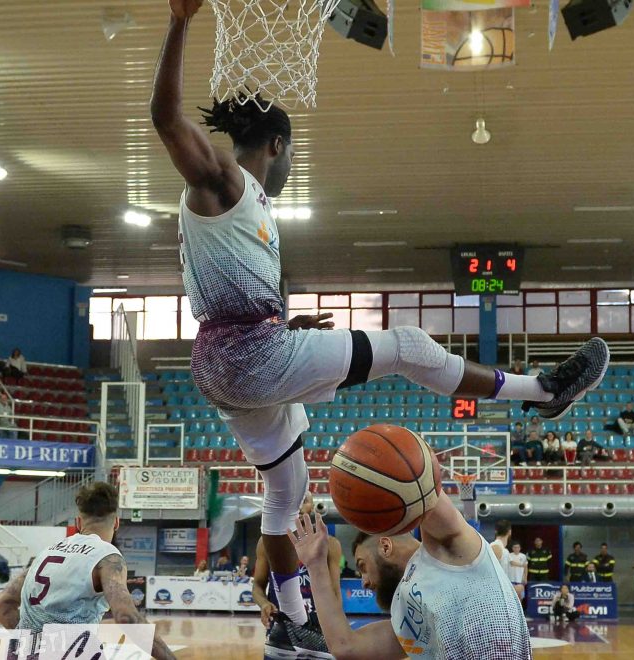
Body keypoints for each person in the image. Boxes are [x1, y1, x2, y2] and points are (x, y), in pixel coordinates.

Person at [152, 2, 608, 649]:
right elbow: (166, 119)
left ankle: (293, 624)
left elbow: (229, 291)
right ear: (277, 145)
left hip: (222, 361)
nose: (290, 164)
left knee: (285, 490)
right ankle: (542, 391)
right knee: (406, 346)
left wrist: (283, 318)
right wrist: (179, 22)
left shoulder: (247, 206)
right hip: (252, 355)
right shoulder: (226, 180)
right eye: (291, 153)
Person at [289, 490, 532, 659]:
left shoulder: (444, 548)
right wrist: (315, 565)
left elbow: (423, 487)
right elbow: (345, 646)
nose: (364, 581)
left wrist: (381, 472)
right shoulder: (405, 614)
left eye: (362, 566)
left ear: (385, 546)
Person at [0, 482, 177, 660]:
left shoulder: (45, 553)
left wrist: (35, 644)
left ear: (78, 523)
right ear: (116, 523)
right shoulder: (108, 557)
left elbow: (1, 607)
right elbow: (126, 616)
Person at [254, 490, 342, 657]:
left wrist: (337, 629)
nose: (300, 506)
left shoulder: (330, 544)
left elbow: (336, 593)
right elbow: (257, 586)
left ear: (312, 506)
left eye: (305, 501)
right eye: (295, 501)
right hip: (283, 632)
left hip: (318, 632)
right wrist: (264, 604)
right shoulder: (266, 543)